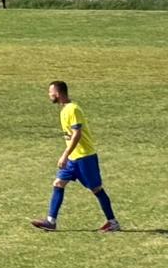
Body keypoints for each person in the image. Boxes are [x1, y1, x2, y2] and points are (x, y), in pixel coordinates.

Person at [31, 80, 120, 232]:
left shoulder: (73, 109)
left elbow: (77, 134)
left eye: (50, 92)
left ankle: (113, 222)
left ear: (57, 93)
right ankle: (51, 222)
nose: (49, 94)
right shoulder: (64, 110)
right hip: (73, 159)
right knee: (58, 183)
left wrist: (65, 154)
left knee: (96, 189)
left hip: (85, 157)